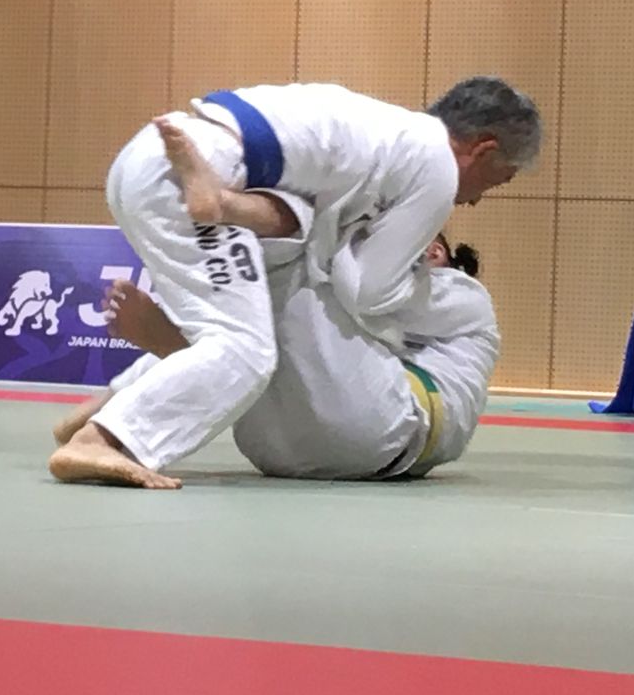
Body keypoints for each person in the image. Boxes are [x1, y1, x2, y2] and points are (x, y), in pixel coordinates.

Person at [49, 76, 537, 487]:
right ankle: (106, 437)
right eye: (498, 180)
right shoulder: (433, 165)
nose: (475, 200)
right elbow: (367, 291)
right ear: (484, 149)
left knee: (271, 274)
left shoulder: (377, 141)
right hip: (195, 171)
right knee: (246, 345)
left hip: (146, 160)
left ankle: (119, 399)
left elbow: (308, 236)